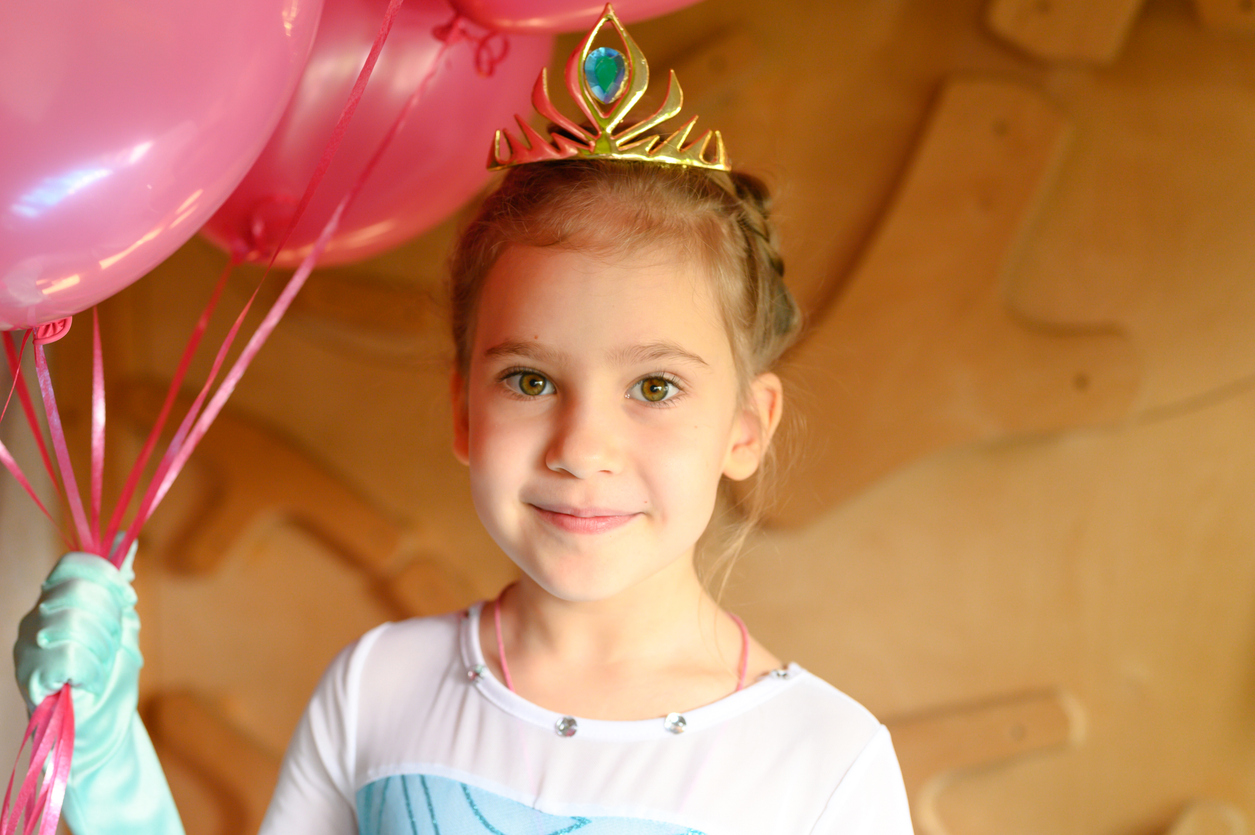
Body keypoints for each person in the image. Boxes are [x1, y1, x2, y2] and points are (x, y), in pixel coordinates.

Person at [12, 6, 914, 833]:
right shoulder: (378, 687)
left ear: (746, 426)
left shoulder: (823, 761)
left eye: (653, 387)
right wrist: (102, 760)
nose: (582, 447)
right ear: (461, 409)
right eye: (529, 381)